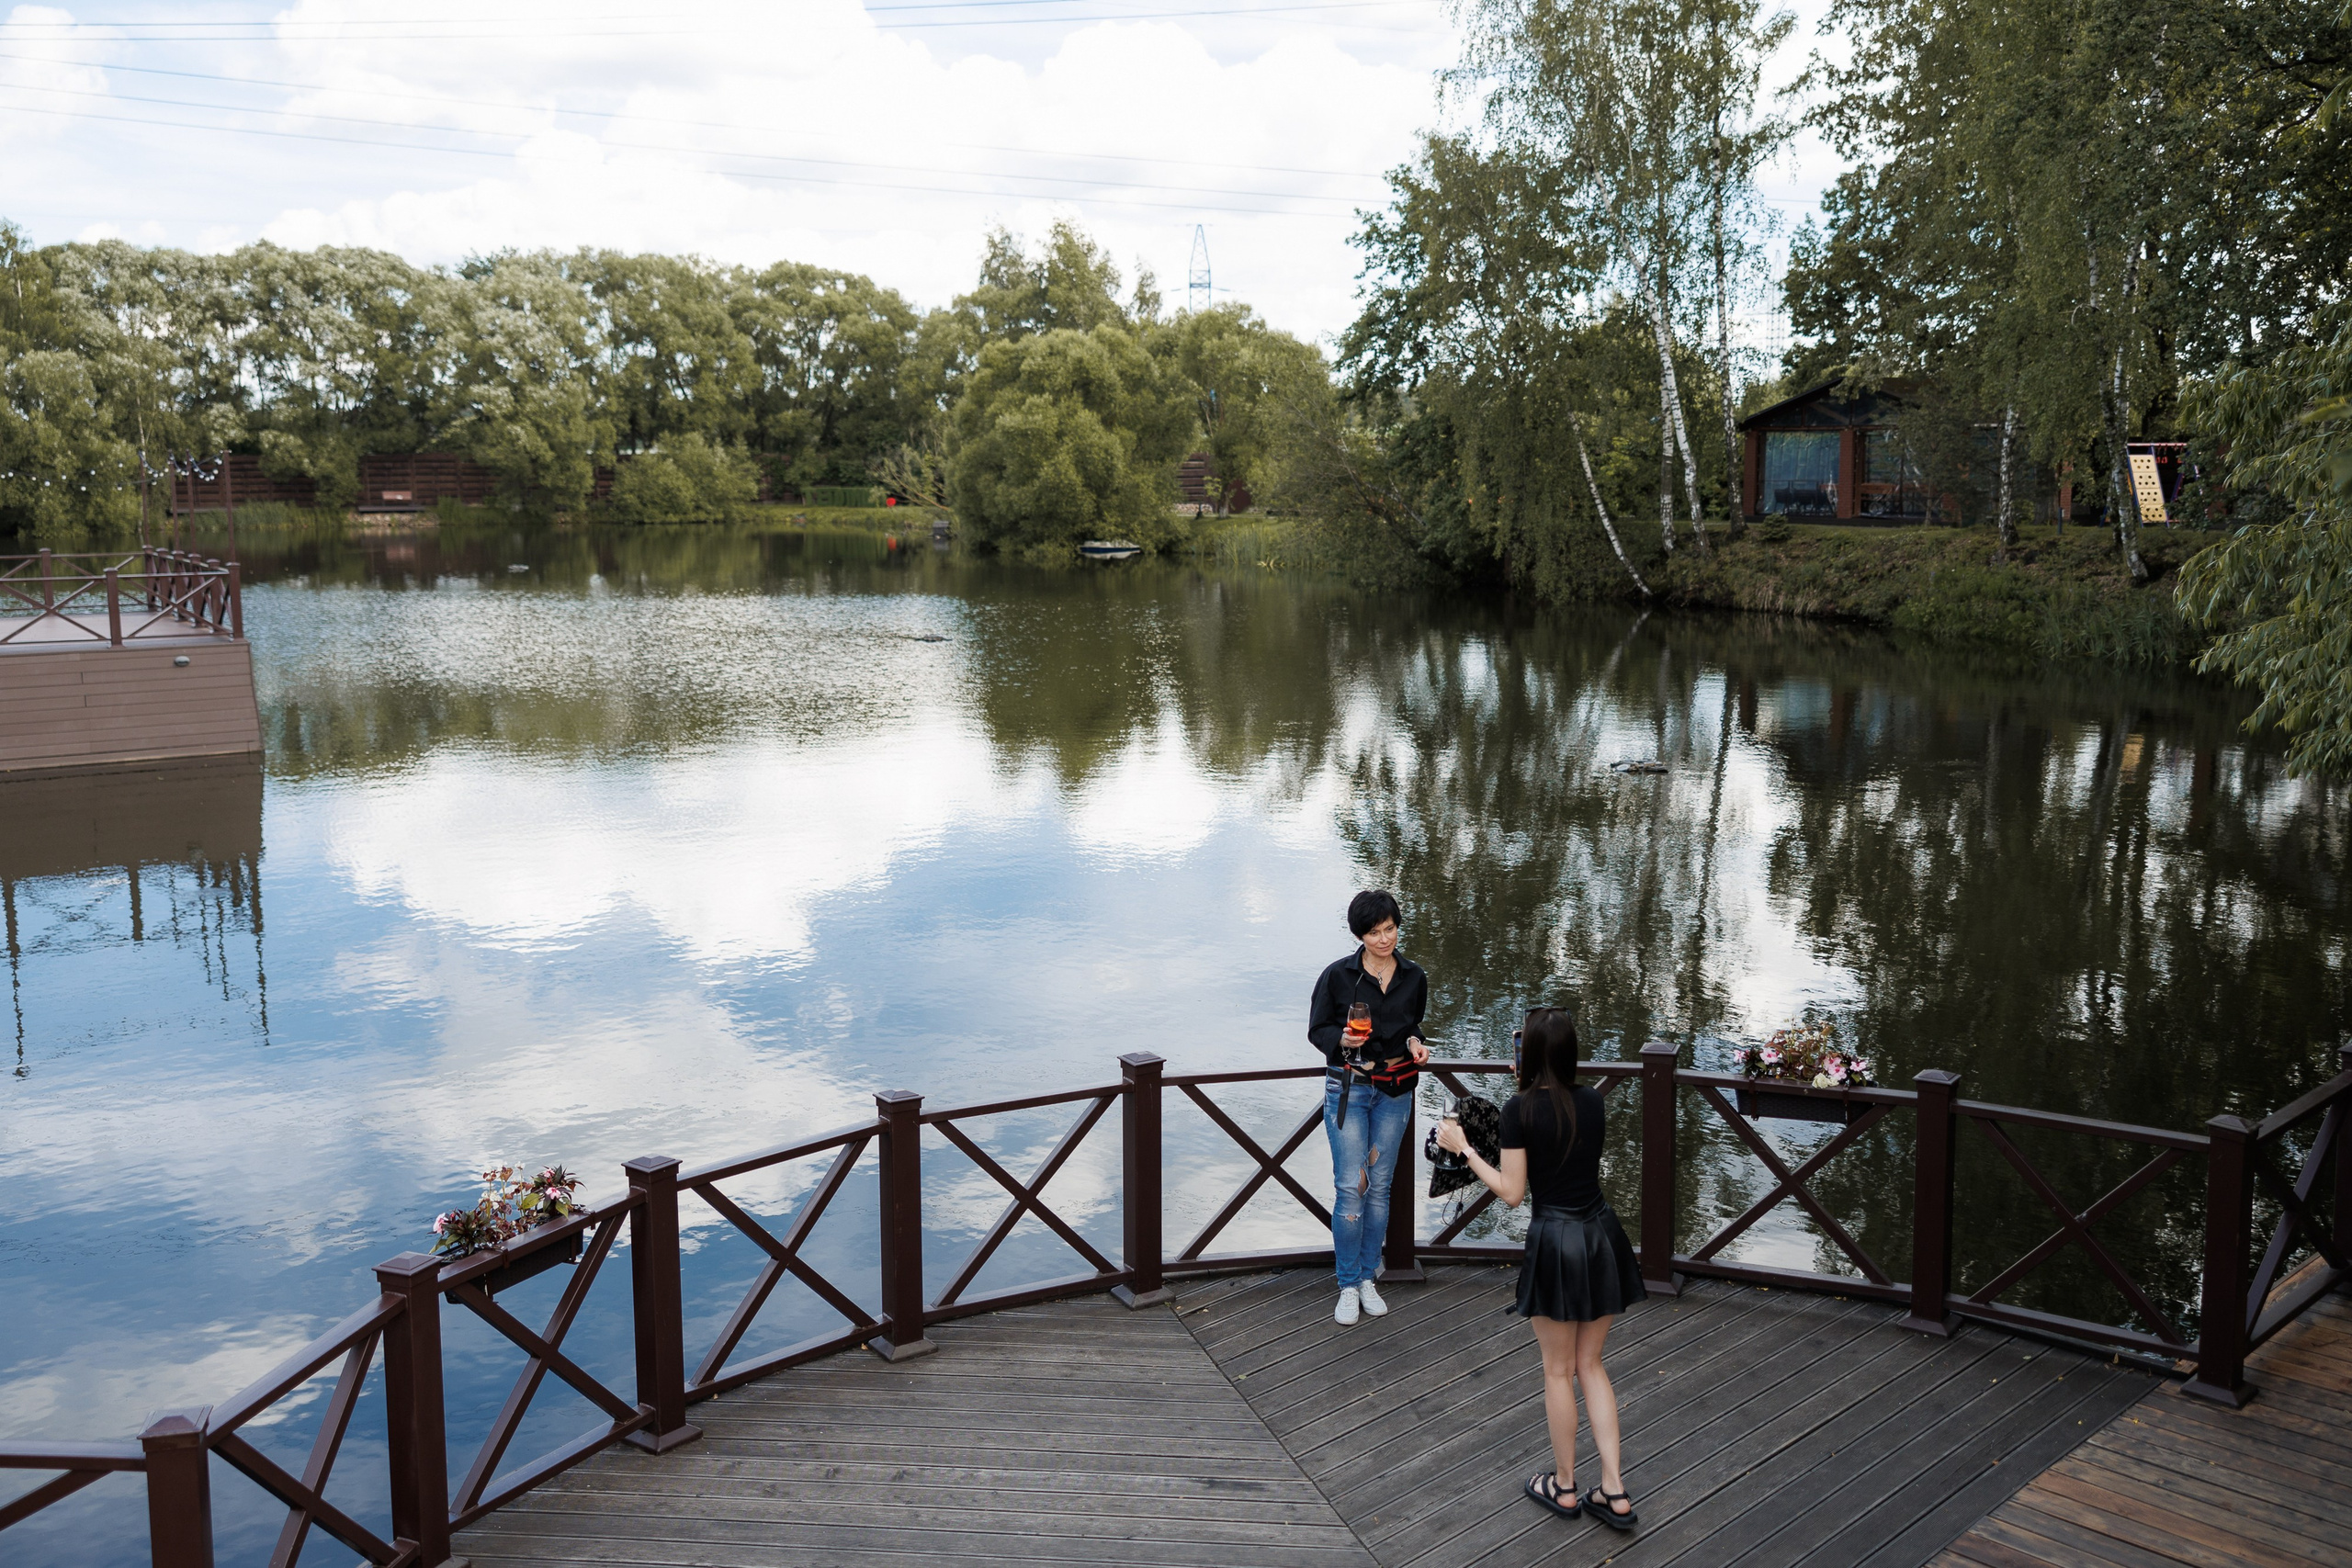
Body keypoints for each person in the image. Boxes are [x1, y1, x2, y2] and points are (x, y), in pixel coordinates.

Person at [1434, 1006, 1643, 1531]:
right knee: (1591, 1365)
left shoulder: (1517, 1109)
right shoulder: (1593, 1100)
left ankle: (1566, 1486)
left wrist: (1463, 1148)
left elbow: (1510, 1193)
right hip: (1600, 1235)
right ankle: (1614, 1490)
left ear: (1528, 1055)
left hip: (1555, 1241)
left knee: (1557, 1370)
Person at [1306, 889, 1430, 1325]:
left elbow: (1412, 1023)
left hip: (1396, 1093)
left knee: (1378, 1186)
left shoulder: (1414, 976)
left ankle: (1366, 1279)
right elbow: (1317, 1029)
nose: (1384, 939)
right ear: (1359, 934)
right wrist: (1342, 1039)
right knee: (1349, 1187)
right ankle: (1346, 1284)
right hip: (1350, 1090)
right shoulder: (1338, 976)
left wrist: (1416, 1043)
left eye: (1390, 929)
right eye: (1375, 932)